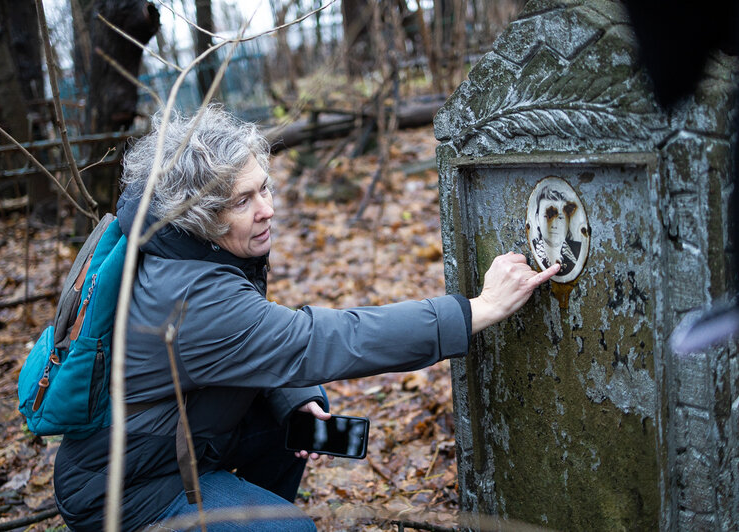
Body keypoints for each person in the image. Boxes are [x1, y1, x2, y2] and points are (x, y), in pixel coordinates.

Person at [52, 106, 559, 531]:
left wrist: (294, 399)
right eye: (244, 200)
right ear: (201, 214)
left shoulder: (182, 249)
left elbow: (246, 349)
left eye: (265, 188)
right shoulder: (190, 295)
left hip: (162, 449)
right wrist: (478, 309)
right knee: (293, 529)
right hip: (124, 493)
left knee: (290, 417)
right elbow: (322, 339)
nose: (267, 208)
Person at [531, 186, 581, 276]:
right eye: (547, 217)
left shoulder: (578, 250)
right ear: (537, 219)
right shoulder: (529, 255)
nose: (554, 225)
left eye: (560, 217)